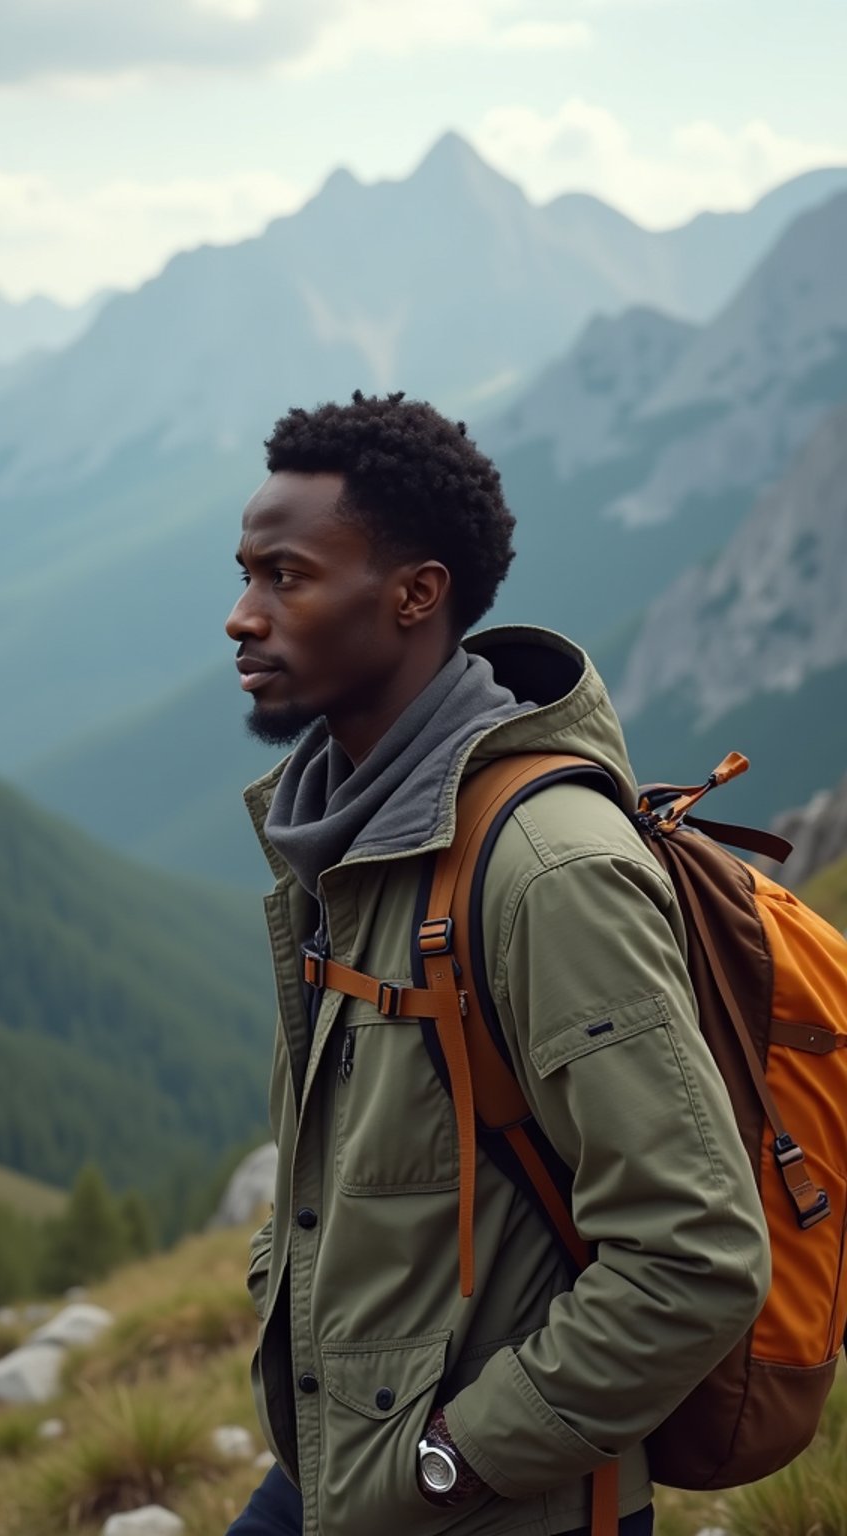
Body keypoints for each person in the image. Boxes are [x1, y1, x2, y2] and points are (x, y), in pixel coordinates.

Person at [223, 391, 770, 1536]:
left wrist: (452, 1459)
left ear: (417, 594)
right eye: (245, 574)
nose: (242, 616)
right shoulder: (355, 832)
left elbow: (698, 1254)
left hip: (492, 1497)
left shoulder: (544, 870)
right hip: (348, 1466)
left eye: (286, 577)